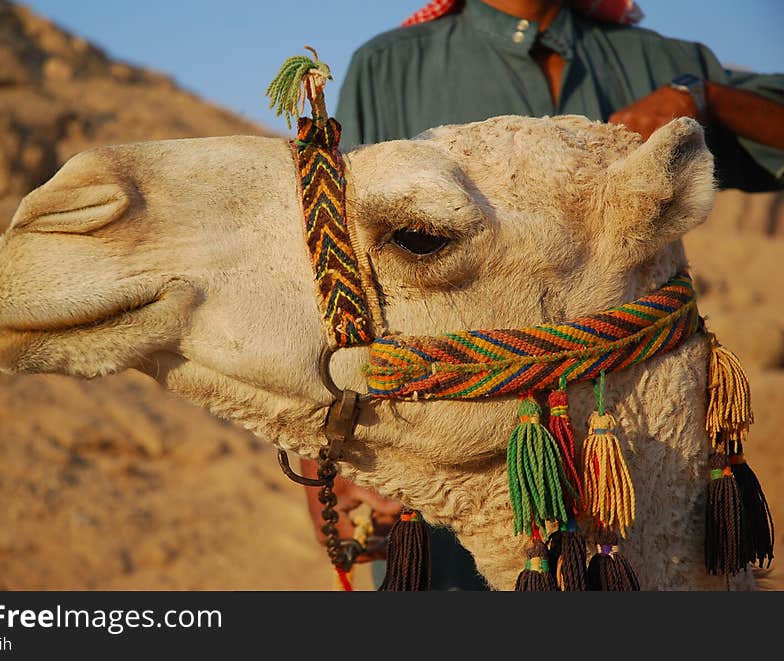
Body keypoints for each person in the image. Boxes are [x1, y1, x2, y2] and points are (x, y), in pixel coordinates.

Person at [302, 0, 784, 590]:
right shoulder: (392, 65)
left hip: (639, 450)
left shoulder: (655, 60)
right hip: (453, 434)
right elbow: (341, 267)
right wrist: (329, 451)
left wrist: (701, 96)